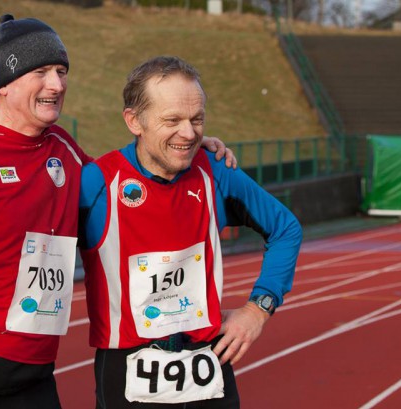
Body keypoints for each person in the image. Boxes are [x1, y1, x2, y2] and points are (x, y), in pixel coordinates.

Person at [0, 15, 235, 409]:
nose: (57, 84)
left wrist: (183, 142)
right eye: (42, 71)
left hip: (36, 376)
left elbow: (126, 187)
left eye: (61, 71)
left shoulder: (66, 152)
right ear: (4, 83)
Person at [77, 56, 302, 408]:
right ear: (134, 120)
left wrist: (259, 308)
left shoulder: (215, 171)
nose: (189, 132)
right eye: (172, 120)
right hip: (127, 368)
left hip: (207, 361)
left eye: (197, 119)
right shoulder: (95, 182)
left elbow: (285, 228)